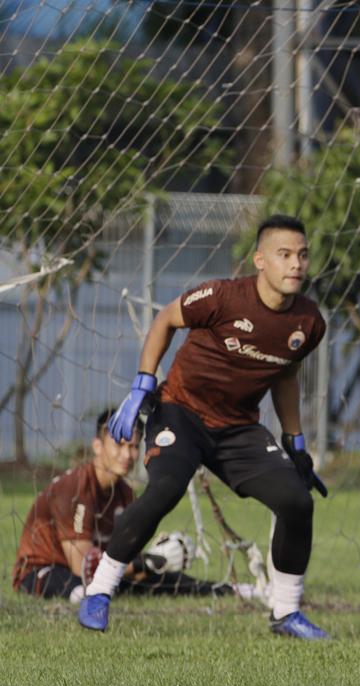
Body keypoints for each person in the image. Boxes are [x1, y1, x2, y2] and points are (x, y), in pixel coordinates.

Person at [77, 215, 330, 639]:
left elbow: (286, 375)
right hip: (180, 412)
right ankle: (100, 590)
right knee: (166, 488)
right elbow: (165, 320)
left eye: (302, 255)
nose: (296, 264)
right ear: (260, 260)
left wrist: (295, 441)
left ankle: (285, 613)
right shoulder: (224, 297)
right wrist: (143, 383)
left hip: (237, 429)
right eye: (284, 255)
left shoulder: (309, 322)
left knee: (296, 502)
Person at [13, 410, 238, 601]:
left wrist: (156, 561)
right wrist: (147, 562)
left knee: (154, 581)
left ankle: (231, 590)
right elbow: (81, 568)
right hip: (44, 570)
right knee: (82, 589)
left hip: (98, 570)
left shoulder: (126, 492)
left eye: (133, 446)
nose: (127, 454)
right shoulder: (71, 489)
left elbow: (125, 560)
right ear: (97, 446)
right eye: (119, 444)